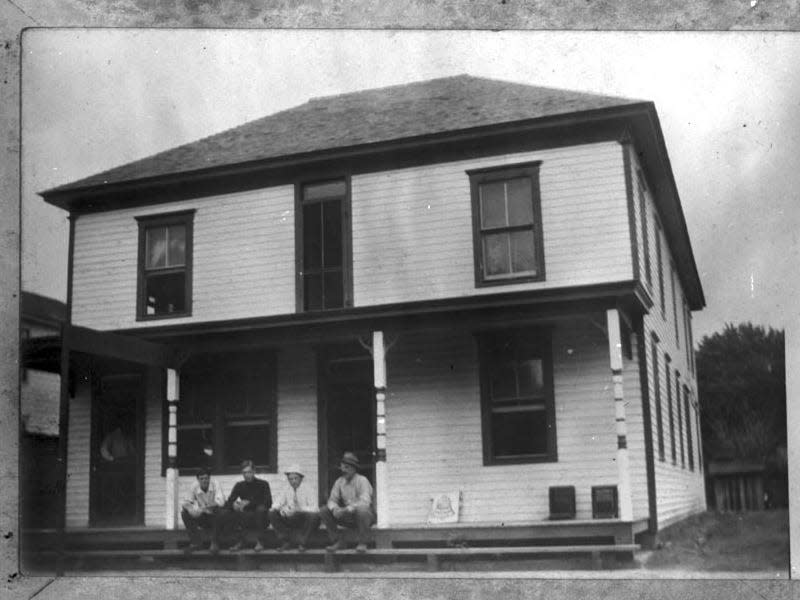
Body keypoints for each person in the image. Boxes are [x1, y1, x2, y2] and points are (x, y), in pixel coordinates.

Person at [319, 452, 375, 553]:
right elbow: (332, 500)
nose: (343, 470)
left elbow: (365, 501)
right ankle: (338, 541)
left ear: (354, 468)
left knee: (362, 510)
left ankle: (363, 542)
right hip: (349, 517)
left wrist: (347, 509)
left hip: (364, 518)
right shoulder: (339, 481)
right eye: (342, 467)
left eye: (347, 467)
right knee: (324, 510)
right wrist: (335, 509)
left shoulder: (362, 480)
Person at [222, 459, 272, 551]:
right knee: (229, 512)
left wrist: (249, 503)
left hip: (261, 518)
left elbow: (268, 502)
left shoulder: (263, 484)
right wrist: (234, 505)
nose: (247, 475)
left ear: (254, 471)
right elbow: (228, 502)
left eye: (249, 472)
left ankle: (260, 542)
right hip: (246, 518)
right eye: (244, 473)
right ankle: (240, 541)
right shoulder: (239, 485)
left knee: (260, 509)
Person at [268, 464, 320, 552]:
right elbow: (277, 502)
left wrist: (299, 509)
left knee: (314, 516)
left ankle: (302, 543)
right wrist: (280, 510)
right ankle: (285, 541)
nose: (293, 481)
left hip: (304, 519)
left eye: (296, 478)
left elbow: (315, 508)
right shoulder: (286, 489)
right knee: (272, 512)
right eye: (290, 479)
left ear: (301, 478)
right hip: (291, 518)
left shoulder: (309, 489)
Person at [181, 467, 225, 554]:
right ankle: (196, 543)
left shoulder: (215, 484)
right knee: (184, 513)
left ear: (209, 478)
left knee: (219, 510)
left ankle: (214, 542)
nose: (204, 481)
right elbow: (186, 502)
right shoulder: (194, 486)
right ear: (198, 479)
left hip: (215, 518)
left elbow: (221, 502)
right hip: (203, 517)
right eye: (202, 479)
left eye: (206, 478)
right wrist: (191, 509)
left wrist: (205, 508)